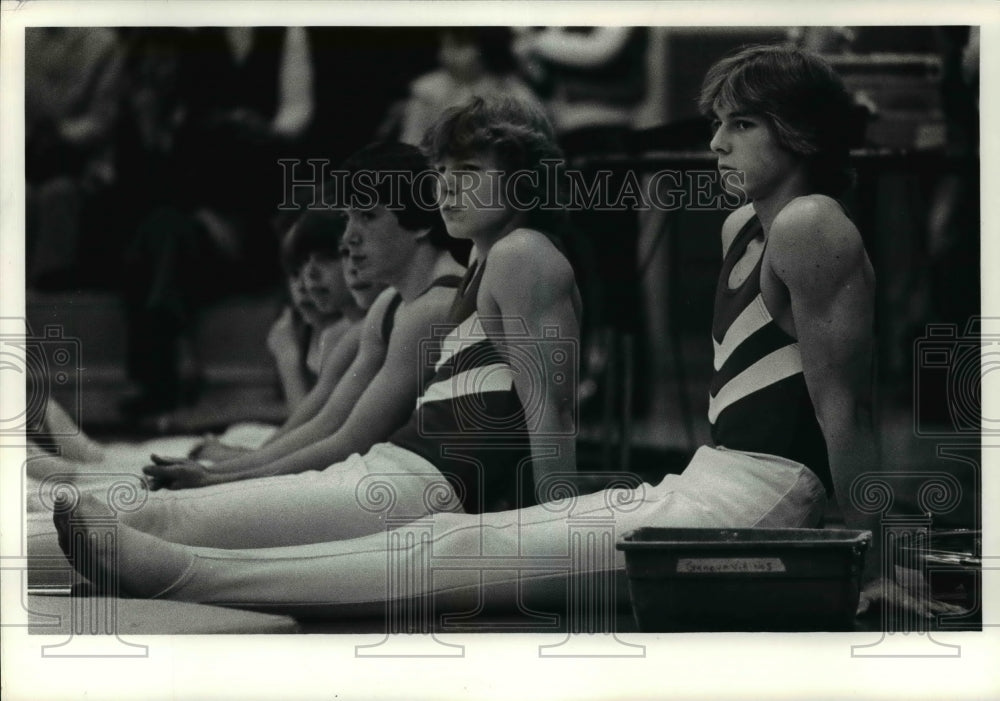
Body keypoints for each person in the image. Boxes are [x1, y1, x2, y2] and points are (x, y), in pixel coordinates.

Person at [56, 58, 935, 622]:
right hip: (709, 479)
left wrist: (873, 561)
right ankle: (177, 554)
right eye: (717, 122)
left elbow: (842, 406)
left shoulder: (813, 222)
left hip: (761, 498)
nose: (713, 143)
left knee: (446, 554)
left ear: (801, 133)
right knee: (462, 548)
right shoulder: (744, 225)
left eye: (739, 123)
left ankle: (180, 572)